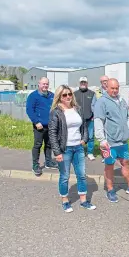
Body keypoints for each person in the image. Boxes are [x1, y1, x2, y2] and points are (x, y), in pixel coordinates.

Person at [48, 84, 96, 212]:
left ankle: (83, 201)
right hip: (65, 149)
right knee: (64, 176)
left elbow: (84, 127)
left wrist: (84, 140)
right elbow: (52, 133)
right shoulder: (56, 112)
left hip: (78, 147)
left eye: (70, 94)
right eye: (64, 95)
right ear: (59, 97)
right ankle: (65, 201)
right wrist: (57, 152)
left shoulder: (77, 109)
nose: (68, 97)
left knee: (81, 175)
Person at [94, 78, 129, 203]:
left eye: (117, 88)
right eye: (112, 88)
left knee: (126, 162)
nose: (115, 90)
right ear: (107, 88)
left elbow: (128, 117)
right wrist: (101, 139)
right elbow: (98, 121)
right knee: (109, 166)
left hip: (123, 142)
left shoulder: (122, 100)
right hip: (110, 143)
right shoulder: (102, 102)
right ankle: (110, 190)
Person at [26, 76, 57, 176]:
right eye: (43, 84)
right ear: (39, 84)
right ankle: (35, 165)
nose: (45, 86)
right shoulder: (33, 96)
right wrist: (36, 122)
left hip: (50, 125)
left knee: (49, 144)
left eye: (47, 84)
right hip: (39, 126)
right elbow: (29, 110)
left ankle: (48, 162)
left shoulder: (52, 95)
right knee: (38, 145)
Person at [74, 77, 96, 161]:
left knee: (90, 137)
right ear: (79, 83)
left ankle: (90, 153)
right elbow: (73, 106)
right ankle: (80, 152)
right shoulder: (74, 94)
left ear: (87, 83)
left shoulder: (92, 93)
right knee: (79, 136)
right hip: (78, 120)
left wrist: (94, 115)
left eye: (85, 82)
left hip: (89, 119)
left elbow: (94, 105)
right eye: (82, 82)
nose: (83, 84)